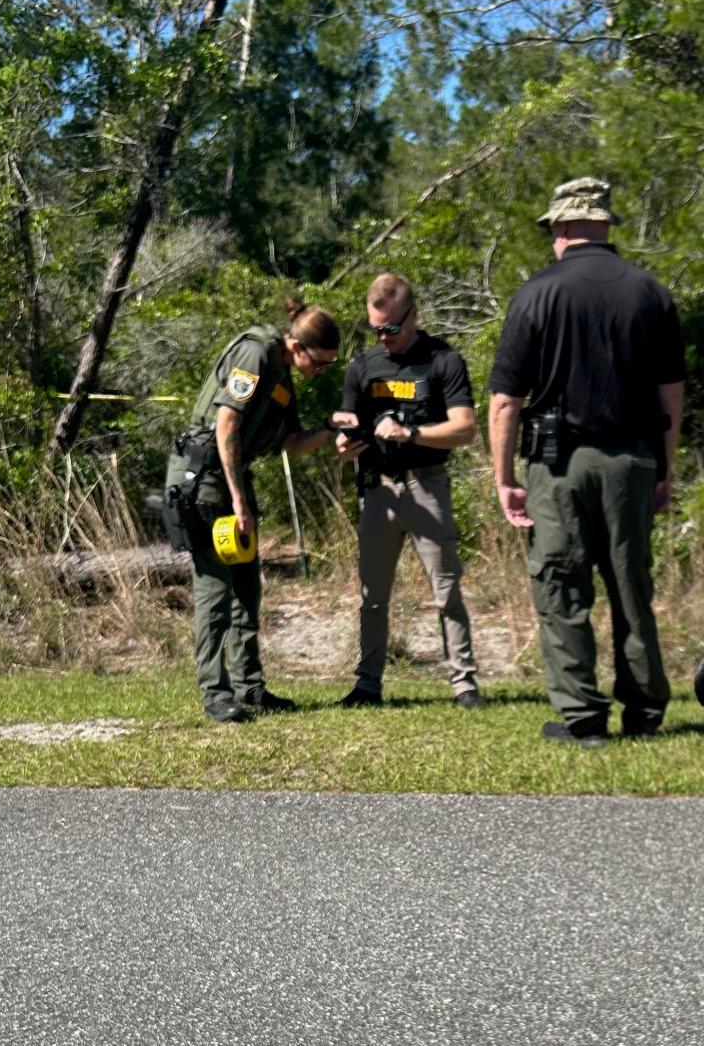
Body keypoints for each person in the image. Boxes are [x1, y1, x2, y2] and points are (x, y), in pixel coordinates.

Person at [488, 177, 685, 746]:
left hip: (558, 465)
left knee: (561, 587)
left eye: (551, 230)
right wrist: (664, 470)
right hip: (633, 459)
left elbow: (505, 401)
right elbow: (671, 393)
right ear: (603, 225)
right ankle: (645, 713)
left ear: (565, 226)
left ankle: (582, 717)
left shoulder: (535, 294)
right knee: (631, 587)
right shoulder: (650, 291)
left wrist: (505, 479)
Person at [164, 299, 350, 723]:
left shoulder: (283, 373)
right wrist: (239, 501)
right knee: (215, 589)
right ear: (298, 345)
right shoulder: (257, 352)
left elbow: (291, 443)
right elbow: (227, 423)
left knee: (248, 587)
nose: (319, 371)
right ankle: (216, 692)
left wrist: (328, 428)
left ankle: (251, 687)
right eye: (319, 363)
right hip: (205, 476)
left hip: (233, 476)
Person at [334, 273, 485, 709]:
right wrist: (345, 443)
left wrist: (410, 433)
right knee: (372, 595)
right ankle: (367, 684)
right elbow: (346, 427)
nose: (384, 338)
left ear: (414, 315)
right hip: (376, 491)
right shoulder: (363, 367)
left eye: (392, 329)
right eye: (376, 329)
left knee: (447, 590)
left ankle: (464, 684)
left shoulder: (444, 361)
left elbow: (465, 429)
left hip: (426, 486)